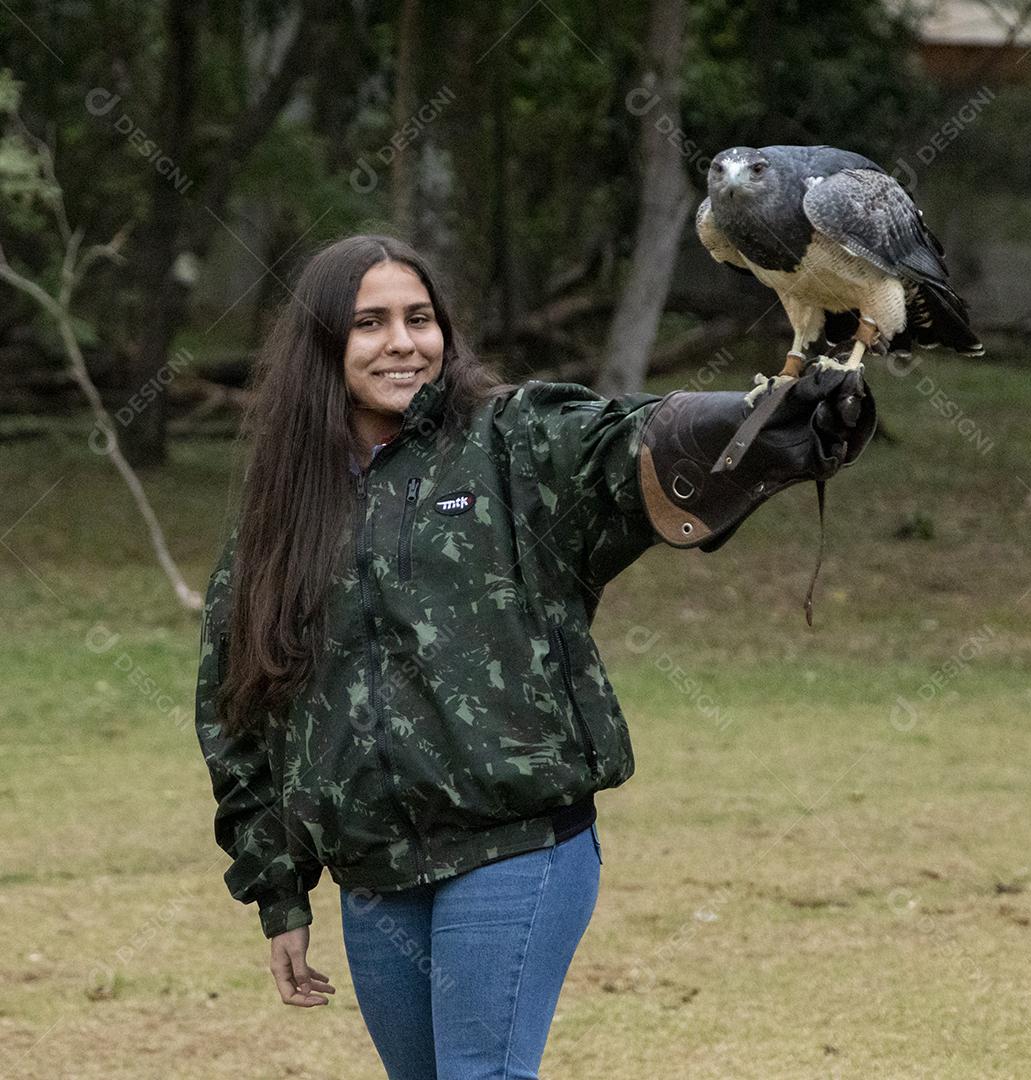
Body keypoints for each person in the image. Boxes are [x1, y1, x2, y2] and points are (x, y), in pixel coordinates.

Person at [194, 234, 875, 1079]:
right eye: (369, 324)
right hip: (374, 877)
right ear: (322, 345)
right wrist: (279, 889)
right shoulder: (285, 504)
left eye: (420, 318)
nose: (403, 342)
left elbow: (622, 449)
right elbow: (239, 708)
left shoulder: (507, 441)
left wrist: (761, 417)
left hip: (515, 847)